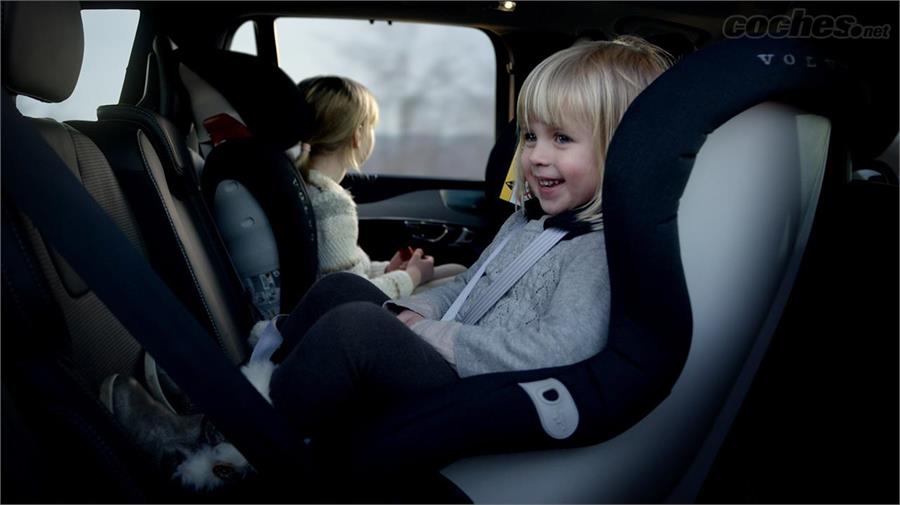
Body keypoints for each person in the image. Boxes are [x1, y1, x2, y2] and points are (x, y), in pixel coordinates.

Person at [101, 36, 672, 492]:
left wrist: (432, 335)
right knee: (341, 292)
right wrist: (409, 307)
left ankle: (219, 452)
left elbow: (561, 351)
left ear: (623, 152)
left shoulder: (600, 250)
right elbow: (467, 286)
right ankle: (235, 403)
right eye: (530, 135)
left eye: (562, 139)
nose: (535, 156)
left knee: (357, 330)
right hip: (457, 359)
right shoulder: (527, 221)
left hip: (482, 395)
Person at [292, 75, 465, 298]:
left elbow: (340, 270)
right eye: (371, 126)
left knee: (458, 271)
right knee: (462, 281)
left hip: (342, 300)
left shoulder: (304, 187)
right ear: (357, 135)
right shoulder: (330, 202)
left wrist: (386, 271)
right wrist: (413, 276)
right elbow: (349, 294)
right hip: (350, 313)